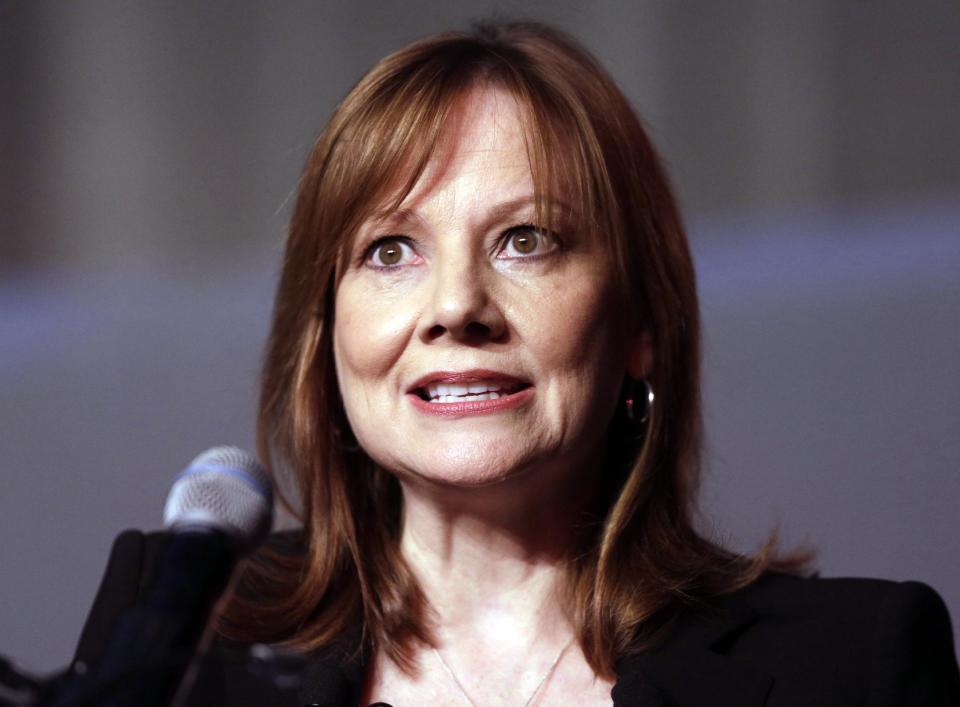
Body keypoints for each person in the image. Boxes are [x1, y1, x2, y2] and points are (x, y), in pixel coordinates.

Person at [73, 21, 959, 706]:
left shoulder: (853, 666)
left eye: (526, 240)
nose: (457, 305)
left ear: (641, 321)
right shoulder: (183, 635)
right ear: (328, 326)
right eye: (390, 251)